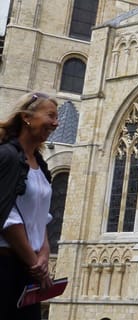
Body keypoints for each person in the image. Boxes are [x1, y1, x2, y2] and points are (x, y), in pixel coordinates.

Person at [0, 92, 59, 320]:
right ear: (27, 117)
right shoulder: (6, 156)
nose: (56, 123)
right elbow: (7, 216)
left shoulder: (40, 163)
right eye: (50, 116)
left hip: (29, 267)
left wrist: (44, 252)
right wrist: (34, 261)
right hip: (6, 264)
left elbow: (40, 215)